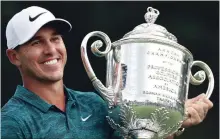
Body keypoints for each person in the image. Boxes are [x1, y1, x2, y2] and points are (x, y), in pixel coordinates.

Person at [1, 6, 213, 139]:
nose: (51, 49)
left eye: (55, 38)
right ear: (14, 56)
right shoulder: (12, 122)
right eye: (36, 42)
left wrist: (169, 123)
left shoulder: (95, 104)